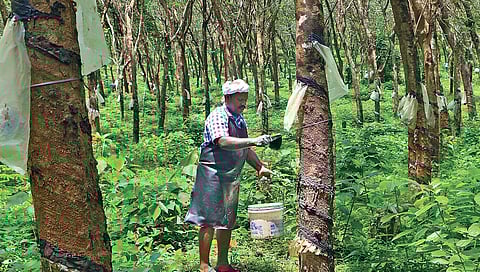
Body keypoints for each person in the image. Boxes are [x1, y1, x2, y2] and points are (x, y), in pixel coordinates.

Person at [185, 79, 273, 272]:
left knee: (227, 219)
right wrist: (254, 140)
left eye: (245, 99)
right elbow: (222, 141)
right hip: (212, 175)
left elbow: (246, 147)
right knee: (208, 220)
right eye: (239, 99)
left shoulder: (240, 119)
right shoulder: (218, 116)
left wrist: (259, 167)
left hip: (231, 177)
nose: (243, 103)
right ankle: (204, 265)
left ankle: (223, 264)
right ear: (227, 98)